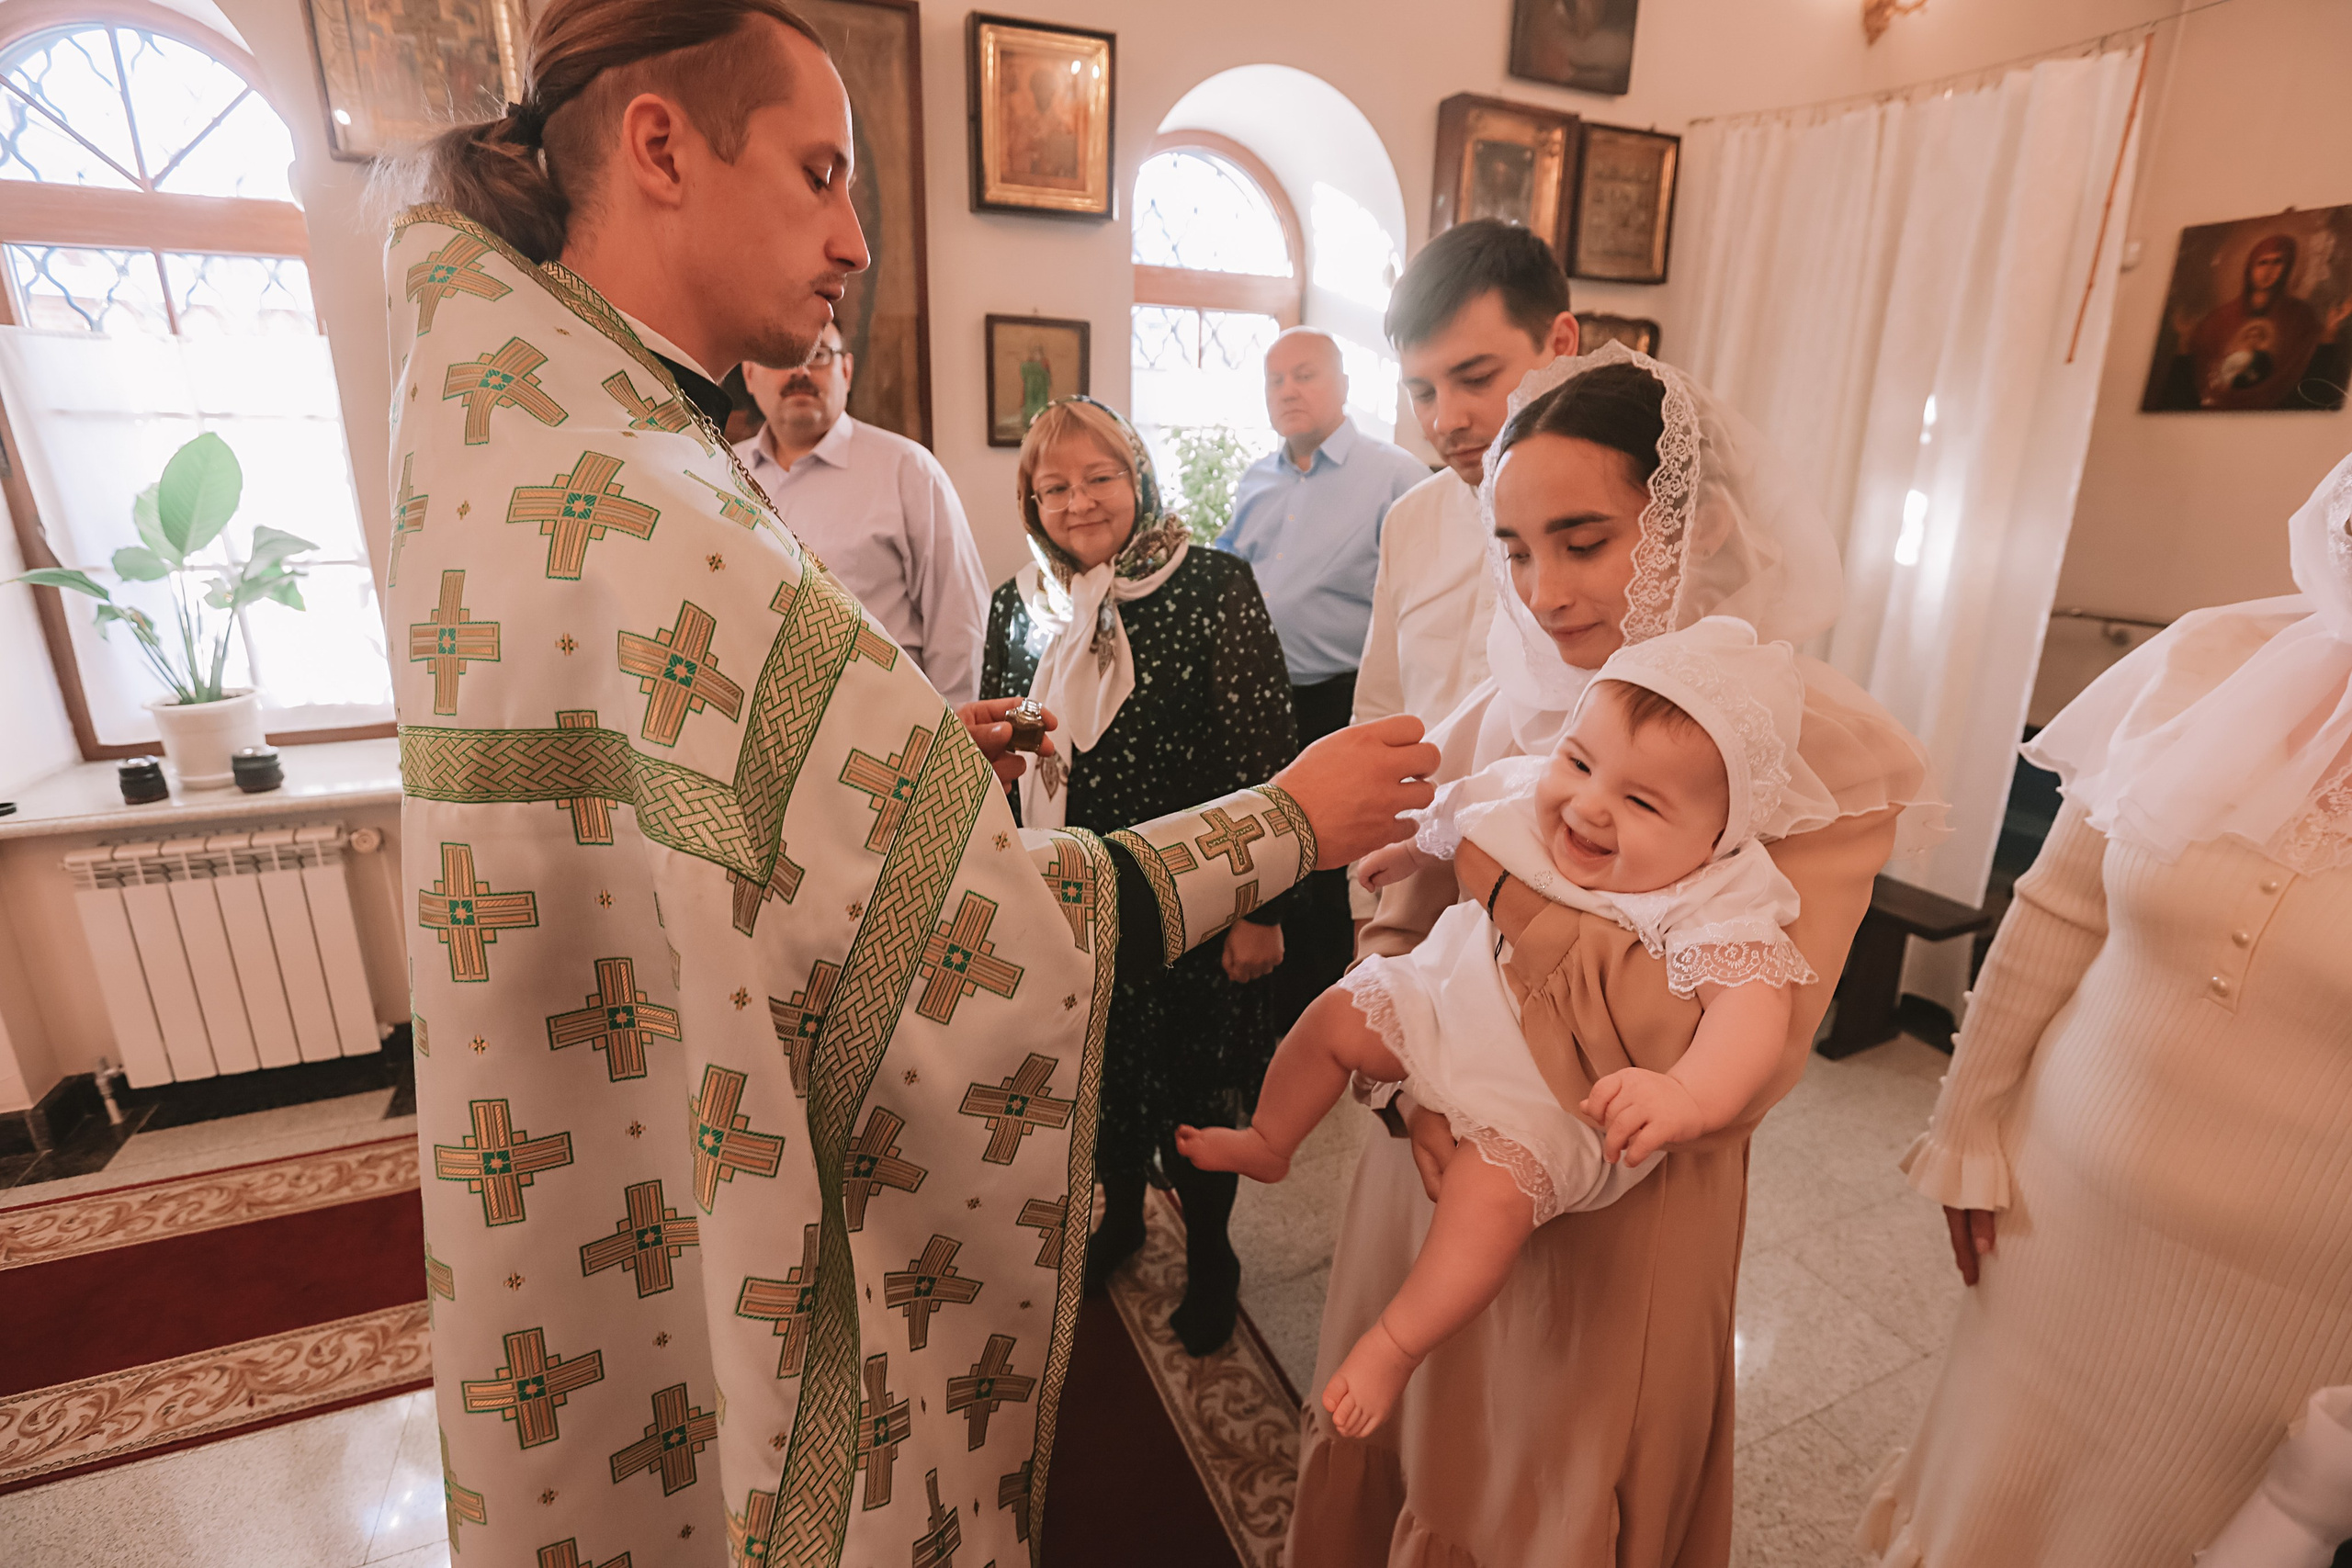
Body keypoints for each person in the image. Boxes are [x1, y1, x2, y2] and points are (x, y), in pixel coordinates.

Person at [382, 5, 1437, 1563]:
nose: (855, 239)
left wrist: (919, 762)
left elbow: (704, 828)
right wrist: (1297, 819)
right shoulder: (650, 497)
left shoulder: (510, 418)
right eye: (820, 173)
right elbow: (980, 929)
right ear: (663, 145)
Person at [1288, 344, 1943, 1568]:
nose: (1542, 593)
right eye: (1516, 549)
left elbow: (1690, 1032)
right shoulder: (1511, 697)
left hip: (1608, 1202)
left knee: (1536, 1492)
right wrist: (1396, 1088)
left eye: (1584, 541)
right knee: (1393, 1439)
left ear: (1705, 524)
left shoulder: (1818, 750)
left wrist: (1484, 873)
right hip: (1421, 1167)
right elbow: (1386, 914)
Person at [1858, 452, 2352, 1565]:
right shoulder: (2210, 657)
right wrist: (1968, 1127)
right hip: (2054, 1228)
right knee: (1985, 1508)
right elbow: (2056, 912)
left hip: (2293, 1329)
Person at [1183, 617, 1826, 1438]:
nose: (1588, 805)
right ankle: (1272, 1138)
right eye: (1581, 761)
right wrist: (1412, 851)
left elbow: (1752, 1012)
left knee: (1486, 1205)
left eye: (1640, 800)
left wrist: (1688, 1094)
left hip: (1542, 1092)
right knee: (1336, 1014)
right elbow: (1465, 811)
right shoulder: (1531, 785)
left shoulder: (1717, 896)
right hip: (1447, 997)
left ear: (1715, 837)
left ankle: (1395, 1341)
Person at [978, 396, 1295, 1356]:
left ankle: (1212, 1257)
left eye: (1099, 478)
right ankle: (1117, 1217)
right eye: (1055, 486)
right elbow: (1005, 743)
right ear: (1032, 501)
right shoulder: (1019, 602)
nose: (1078, 503)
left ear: (1139, 479)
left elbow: (1265, 757)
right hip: (1073, 896)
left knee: (1198, 1098)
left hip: (1197, 901)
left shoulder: (1210, 585)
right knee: (1100, 1084)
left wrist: (1261, 910)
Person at [1217, 326, 1430, 1018]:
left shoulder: (1396, 476)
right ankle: (1269, 1018)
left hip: (1336, 701)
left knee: (1328, 866)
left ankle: (1330, 1022)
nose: (1287, 391)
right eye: (1275, 380)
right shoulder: (1257, 479)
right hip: (1256, 705)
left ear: (1342, 386)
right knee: (1264, 852)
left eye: (1304, 374)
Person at [1351, 220, 1581, 795]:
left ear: (1560, 345)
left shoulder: (1648, 517)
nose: (1444, 421)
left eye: (1476, 378)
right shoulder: (1409, 520)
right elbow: (1381, 705)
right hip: (1409, 855)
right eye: (1422, 393)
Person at [737, 322, 991, 705]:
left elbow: (960, 625)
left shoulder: (907, 470)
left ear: (846, 370)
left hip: (890, 732)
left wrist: (954, 736)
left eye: (818, 355)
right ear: (750, 374)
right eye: (783, 358)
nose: (801, 371)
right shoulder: (717, 469)